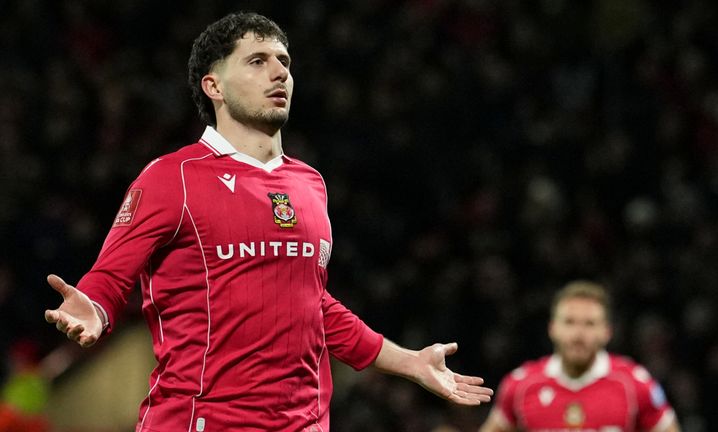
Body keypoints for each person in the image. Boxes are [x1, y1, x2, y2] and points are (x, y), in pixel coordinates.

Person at [44, 11, 492, 431]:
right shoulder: (171, 178)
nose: (279, 73)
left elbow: (313, 304)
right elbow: (110, 274)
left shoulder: (309, 184)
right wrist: (95, 307)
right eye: (257, 61)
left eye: (284, 61)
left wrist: (408, 362)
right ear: (214, 86)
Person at [479, 281, 680, 432]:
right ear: (552, 328)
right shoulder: (520, 385)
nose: (578, 334)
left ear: (607, 332)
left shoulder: (635, 384)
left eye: (590, 324)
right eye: (569, 322)